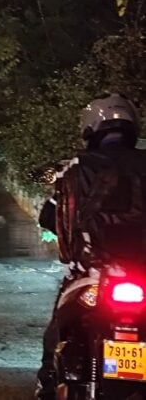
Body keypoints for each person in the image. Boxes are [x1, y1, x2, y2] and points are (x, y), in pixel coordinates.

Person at [36, 93, 144, 399]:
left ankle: (46, 385)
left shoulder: (76, 167)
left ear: (90, 130)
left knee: (58, 329)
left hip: (93, 279)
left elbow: (48, 217)